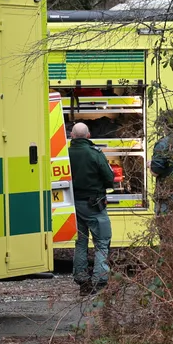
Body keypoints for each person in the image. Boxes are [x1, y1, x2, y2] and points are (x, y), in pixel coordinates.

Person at [68, 121, 114, 294]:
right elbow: (109, 178)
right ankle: (100, 281)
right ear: (88, 136)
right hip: (94, 206)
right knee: (102, 242)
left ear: (72, 135)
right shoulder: (95, 153)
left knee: (80, 242)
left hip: (74, 205)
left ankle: (82, 281)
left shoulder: (65, 155)